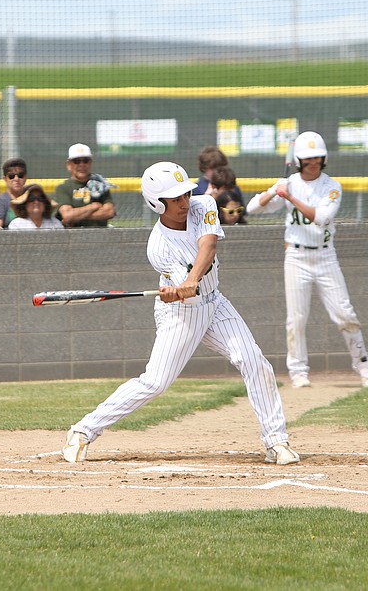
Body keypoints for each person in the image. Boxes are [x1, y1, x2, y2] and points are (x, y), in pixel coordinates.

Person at [62, 161, 298, 465]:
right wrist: (179, 288)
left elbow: (208, 246)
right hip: (181, 313)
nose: (184, 202)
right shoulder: (158, 247)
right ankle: (83, 431)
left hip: (215, 302)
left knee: (253, 360)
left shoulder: (204, 204)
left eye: (185, 195)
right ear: (156, 203)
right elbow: (186, 292)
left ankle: (276, 441)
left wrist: (190, 279)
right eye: (175, 199)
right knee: (155, 382)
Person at [246, 131, 368, 389]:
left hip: (325, 255)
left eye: (317, 157)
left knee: (345, 314)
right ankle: (298, 371)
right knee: (296, 318)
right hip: (296, 256)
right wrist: (276, 190)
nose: (313, 162)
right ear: (299, 161)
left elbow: (321, 217)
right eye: (308, 159)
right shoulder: (288, 184)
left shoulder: (332, 186)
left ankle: (364, 367)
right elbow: (253, 209)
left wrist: (291, 198)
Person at [53, 143, 115, 228]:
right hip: (74, 237)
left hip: (100, 236)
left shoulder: (100, 185)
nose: (82, 165)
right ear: (69, 165)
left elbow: (110, 211)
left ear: (90, 163)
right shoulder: (63, 188)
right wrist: (94, 206)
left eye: (85, 160)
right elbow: (67, 215)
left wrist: (76, 216)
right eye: (77, 161)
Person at [0, 158, 29, 229]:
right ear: (5, 179)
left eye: (20, 175)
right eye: (11, 176)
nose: (16, 179)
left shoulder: (32, 198)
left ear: (26, 177)